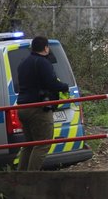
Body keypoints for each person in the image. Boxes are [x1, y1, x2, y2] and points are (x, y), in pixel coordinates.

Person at [17, 36, 70, 170]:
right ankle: (32, 179)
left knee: (29, 145)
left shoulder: (23, 63)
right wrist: (65, 86)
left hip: (23, 107)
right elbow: (51, 83)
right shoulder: (43, 62)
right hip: (38, 109)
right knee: (43, 144)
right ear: (46, 48)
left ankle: (20, 177)